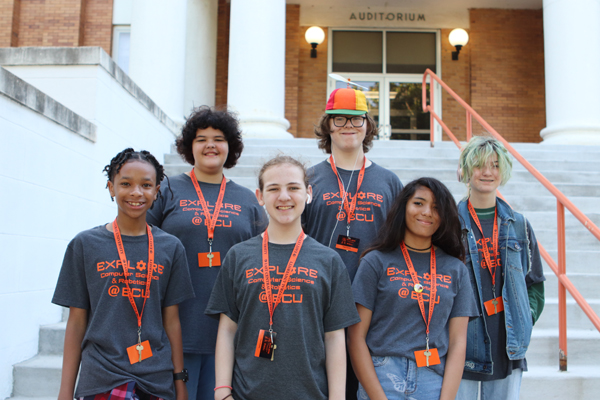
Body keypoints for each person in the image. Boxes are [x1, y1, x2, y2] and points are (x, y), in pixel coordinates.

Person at [205, 155, 360, 400]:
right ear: (260, 196)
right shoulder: (238, 255)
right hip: (247, 394)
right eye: (274, 189)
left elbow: (334, 337)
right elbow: (227, 329)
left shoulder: (329, 260)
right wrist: (222, 392)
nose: (284, 197)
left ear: (308, 193)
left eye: (293, 188)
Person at [53, 148, 195, 400]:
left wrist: (180, 382)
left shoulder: (171, 247)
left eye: (146, 185)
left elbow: (172, 321)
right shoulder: (85, 244)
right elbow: (76, 322)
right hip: (101, 376)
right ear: (111, 188)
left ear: (157, 191)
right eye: (126, 184)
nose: (136, 192)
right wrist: (65, 391)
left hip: (155, 378)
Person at [147, 106, 267, 400]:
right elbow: (141, 244)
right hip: (173, 327)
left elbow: (263, 259)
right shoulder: (166, 190)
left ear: (231, 146)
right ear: (190, 146)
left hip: (229, 332)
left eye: (218, 139)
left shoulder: (248, 200)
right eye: (201, 139)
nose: (210, 145)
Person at [303, 87, 403, 399]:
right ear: (327, 125)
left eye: (356, 119)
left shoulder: (389, 181)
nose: (348, 125)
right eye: (339, 119)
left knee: (364, 383)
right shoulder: (308, 179)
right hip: (319, 297)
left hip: (373, 302)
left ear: (367, 125)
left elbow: (400, 242)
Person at [348, 177, 479, 400]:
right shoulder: (375, 261)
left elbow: (458, 343)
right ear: (404, 207)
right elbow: (355, 337)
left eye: (436, 207)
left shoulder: (456, 269)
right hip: (382, 376)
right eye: (419, 203)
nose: (427, 212)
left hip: (432, 381)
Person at [455, 136, 545, 400]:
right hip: (461, 345)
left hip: (508, 345)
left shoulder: (519, 225)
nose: (487, 172)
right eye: (479, 165)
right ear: (465, 170)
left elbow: (535, 283)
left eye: (495, 165)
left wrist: (523, 319)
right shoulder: (449, 223)